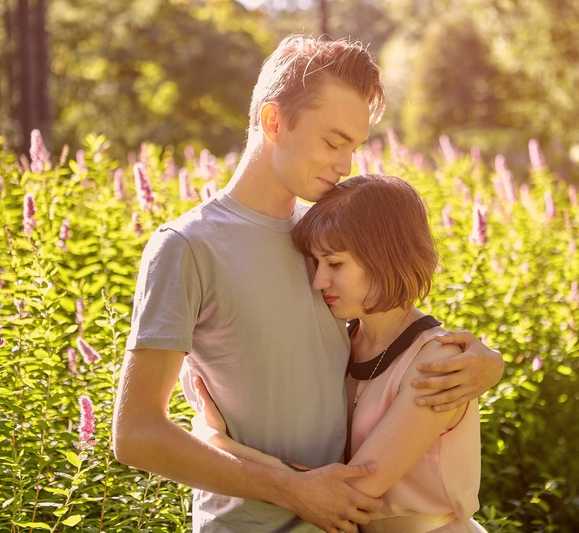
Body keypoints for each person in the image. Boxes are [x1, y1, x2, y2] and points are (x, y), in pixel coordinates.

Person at [112, 34, 504, 533]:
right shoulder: (188, 247)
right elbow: (136, 433)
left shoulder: (329, 238)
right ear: (274, 121)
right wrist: (290, 489)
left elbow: (397, 337)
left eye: (355, 147)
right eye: (334, 141)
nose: (345, 165)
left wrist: (486, 364)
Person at [193, 175, 488, 533]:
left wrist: (219, 445)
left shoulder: (437, 363)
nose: (319, 282)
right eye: (316, 264)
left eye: (335, 264)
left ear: (386, 257)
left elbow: (347, 494)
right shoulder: (340, 343)